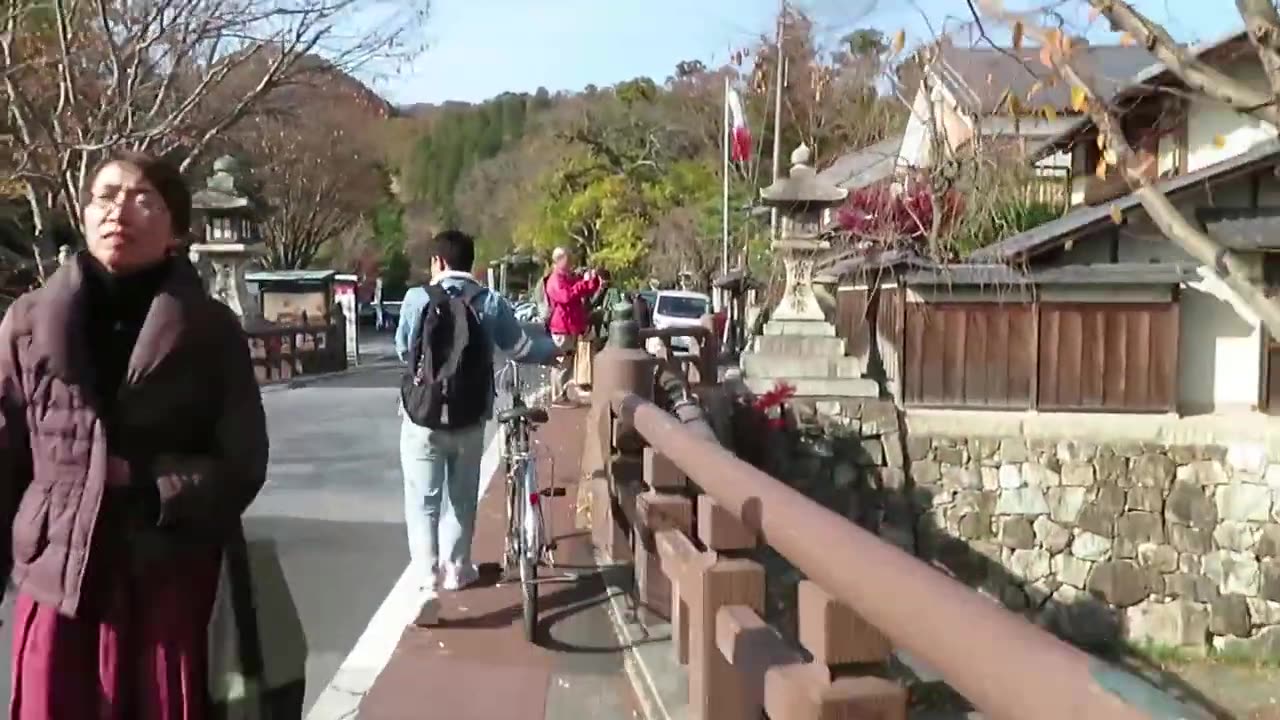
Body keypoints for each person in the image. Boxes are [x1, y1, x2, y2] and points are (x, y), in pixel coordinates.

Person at [0, 150, 269, 719]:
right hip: (58, 582)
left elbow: (242, 461)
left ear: (175, 228)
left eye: (143, 198)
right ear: (84, 211)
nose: (119, 210)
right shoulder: (28, 320)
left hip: (168, 585)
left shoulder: (211, 330)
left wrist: (151, 484)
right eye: (106, 196)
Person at [395, 229, 558, 624]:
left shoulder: (417, 299)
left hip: (423, 416)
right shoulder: (490, 303)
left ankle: (426, 577)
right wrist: (556, 350)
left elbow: (404, 350)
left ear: (438, 262)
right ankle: (457, 569)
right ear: (471, 263)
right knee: (461, 497)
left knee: (423, 500)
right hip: (471, 418)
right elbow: (521, 348)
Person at [544, 247, 603, 406]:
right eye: (567, 260)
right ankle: (558, 396)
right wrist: (582, 284)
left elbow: (582, 290)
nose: (571, 263)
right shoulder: (555, 280)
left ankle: (561, 394)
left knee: (567, 361)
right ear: (558, 261)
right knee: (561, 362)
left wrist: (592, 280)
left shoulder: (567, 278)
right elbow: (566, 296)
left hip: (570, 327)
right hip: (561, 327)